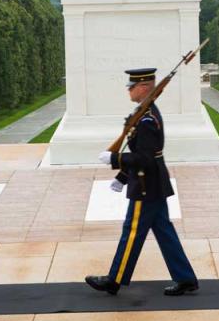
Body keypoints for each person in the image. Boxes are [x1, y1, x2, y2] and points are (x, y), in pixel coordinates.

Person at [85, 67, 198, 296]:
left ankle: (114, 280)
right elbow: (143, 154)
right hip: (151, 182)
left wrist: (115, 159)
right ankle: (185, 278)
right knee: (164, 231)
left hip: (146, 186)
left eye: (132, 86)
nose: (129, 90)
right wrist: (122, 176)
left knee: (132, 231)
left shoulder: (147, 119)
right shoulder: (145, 113)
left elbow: (145, 158)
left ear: (144, 87)